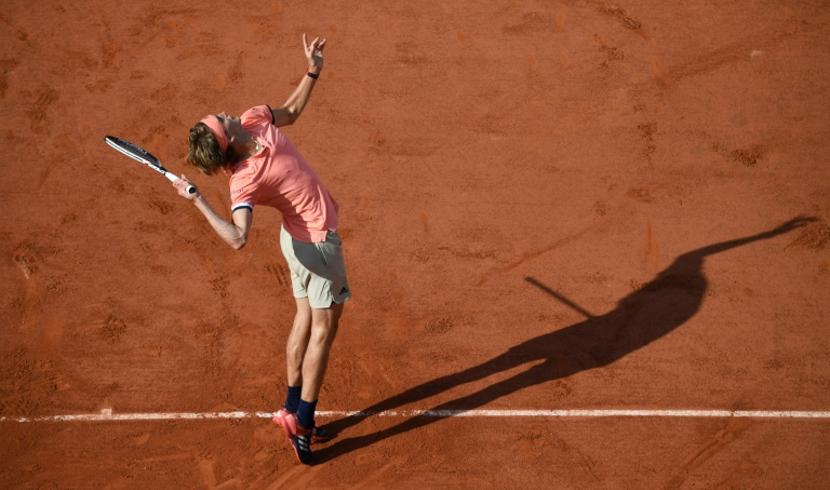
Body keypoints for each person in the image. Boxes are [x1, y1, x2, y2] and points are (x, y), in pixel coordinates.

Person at [173, 34, 349, 465]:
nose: (227, 113)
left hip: (294, 237)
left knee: (305, 318)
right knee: (324, 332)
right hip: (315, 244)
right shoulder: (243, 179)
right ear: (226, 140)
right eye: (221, 119)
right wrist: (198, 200)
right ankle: (304, 423)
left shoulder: (253, 119)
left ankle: (289, 408)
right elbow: (237, 237)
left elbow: (291, 111)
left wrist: (313, 70)